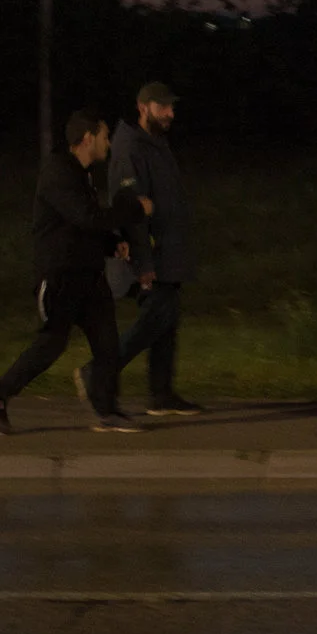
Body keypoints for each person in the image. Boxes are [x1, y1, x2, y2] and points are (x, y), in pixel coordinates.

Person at [0, 110, 154, 435]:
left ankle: (107, 410)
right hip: (60, 278)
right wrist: (134, 209)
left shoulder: (80, 174)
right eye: (103, 136)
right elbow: (85, 216)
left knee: (108, 344)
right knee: (51, 345)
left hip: (88, 276)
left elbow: (80, 225)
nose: (108, 143)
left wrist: (110, 245)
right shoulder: (58, 173)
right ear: (87, 139)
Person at [101, 81, 205, 416]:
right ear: (142, 107)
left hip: (167, 254)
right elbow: (132, 213)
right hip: (149, 256)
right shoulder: (131, 148)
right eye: (163, 107)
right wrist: (143, 263)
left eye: (171, 107)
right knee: (154, 320)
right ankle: (97, 372)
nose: (170, 113)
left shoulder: (154, 143)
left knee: (166, 321)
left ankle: (161, 395)